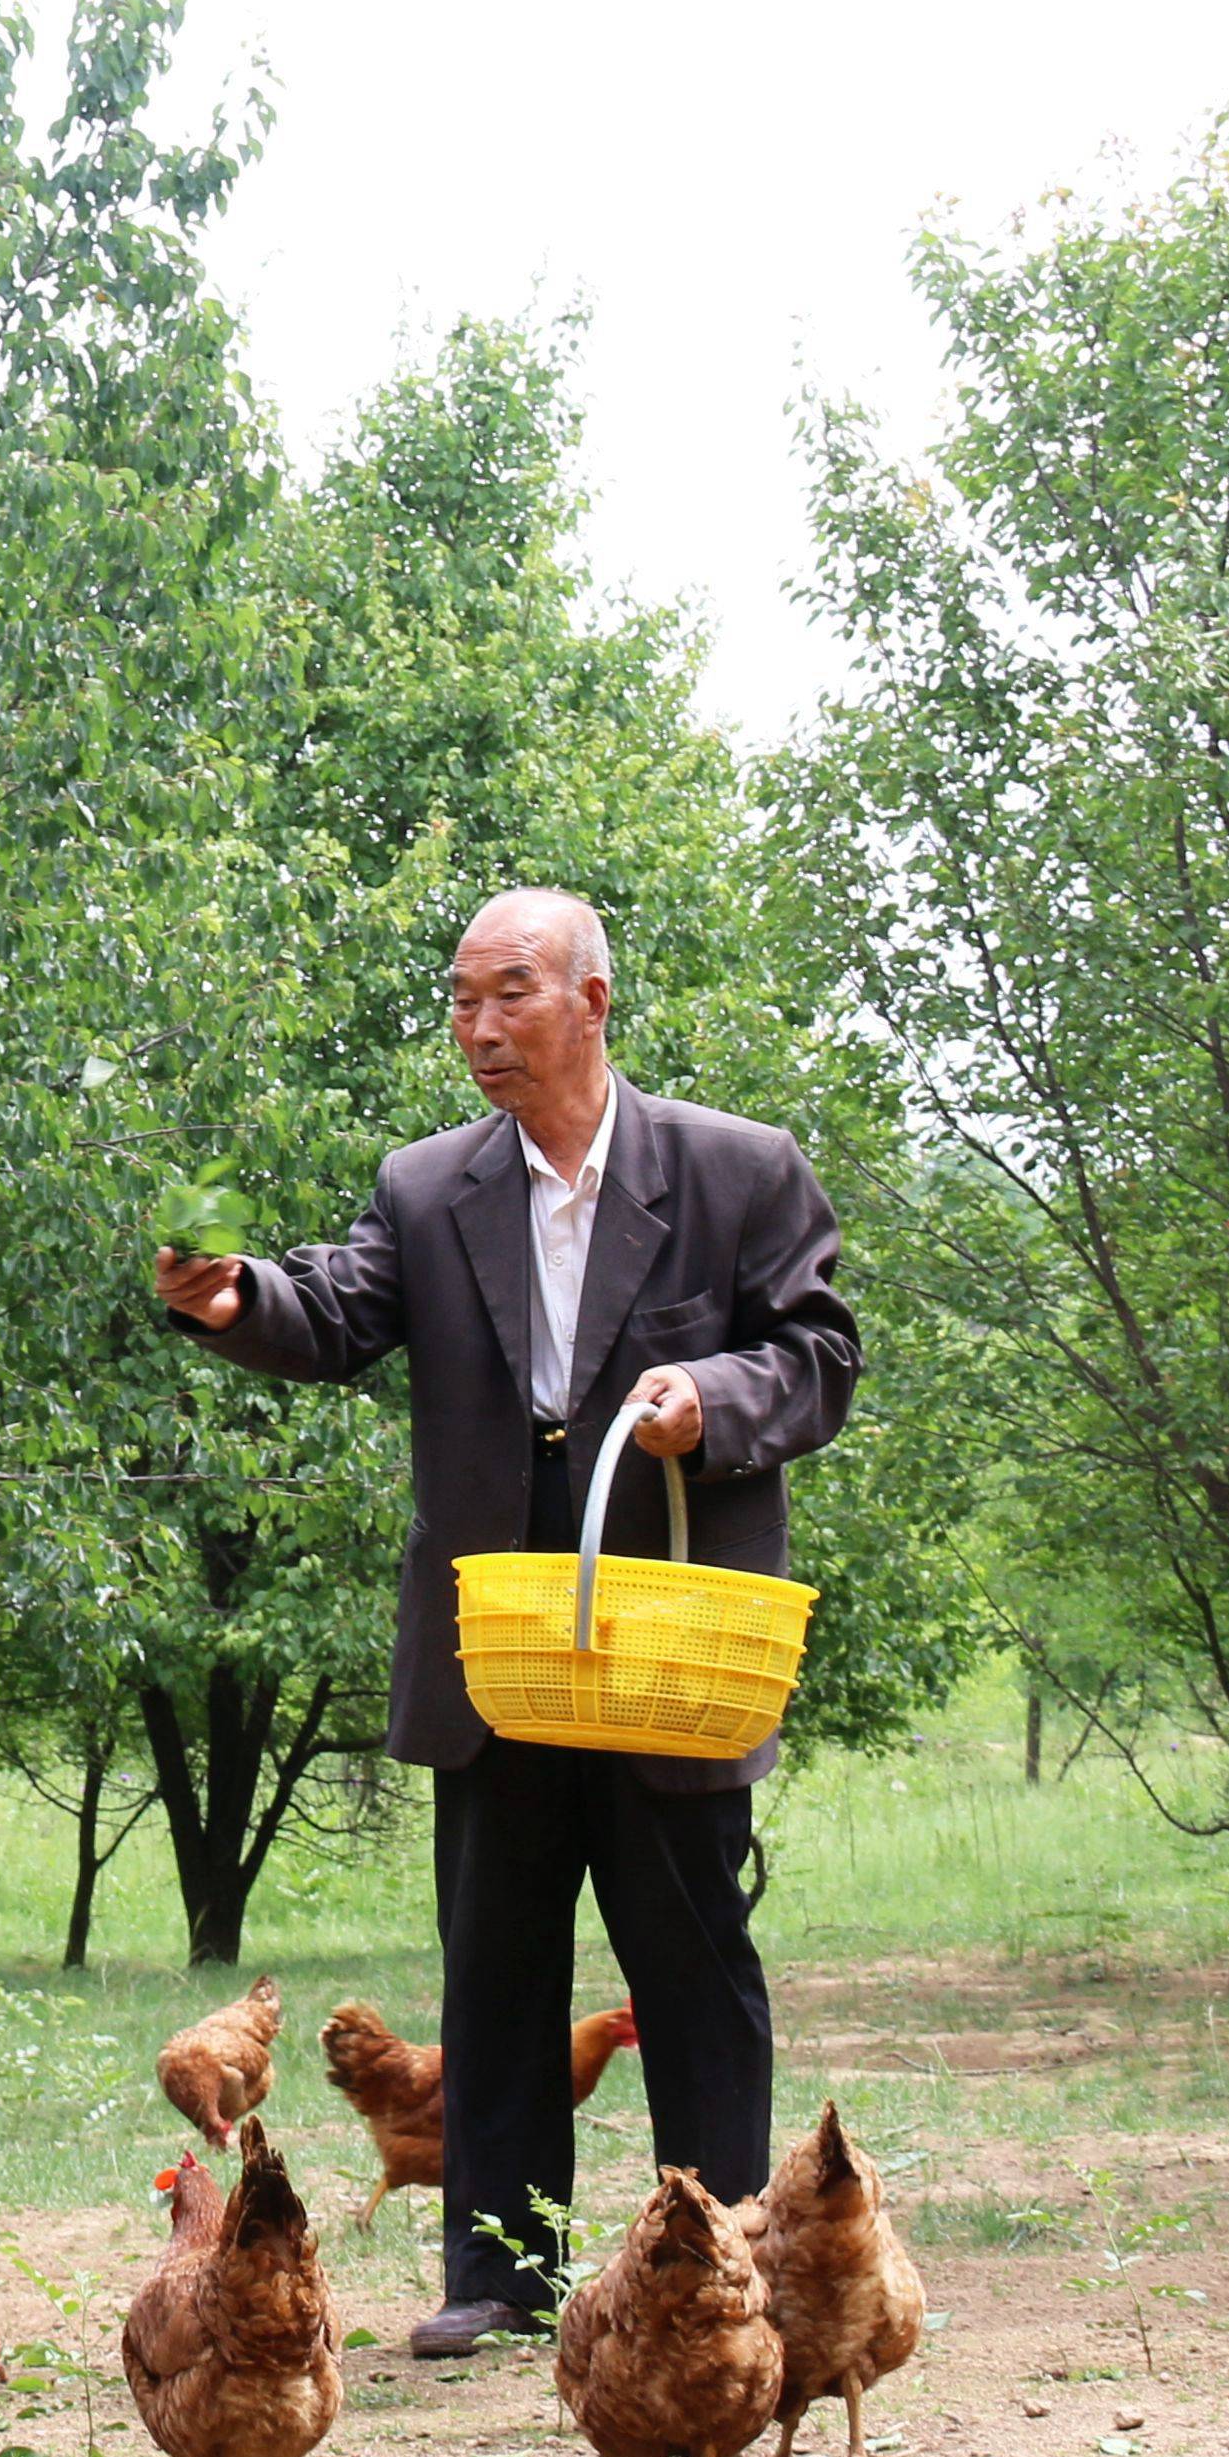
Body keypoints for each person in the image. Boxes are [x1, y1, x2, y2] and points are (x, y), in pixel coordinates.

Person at [154, 888, 858, 2353]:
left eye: (510, 995)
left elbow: (818, 1358)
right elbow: (336, 1310)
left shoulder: (738, 1172)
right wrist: (232, 1300)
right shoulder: (427, 1187)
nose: (479, 1029)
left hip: (665, 1644)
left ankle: (719, 2253)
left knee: (691, 1964)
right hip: (498, 1640)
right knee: (499, 1959)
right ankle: (500, 2276)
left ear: (593, 999)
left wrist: (710, 1402)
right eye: (462, 1001)